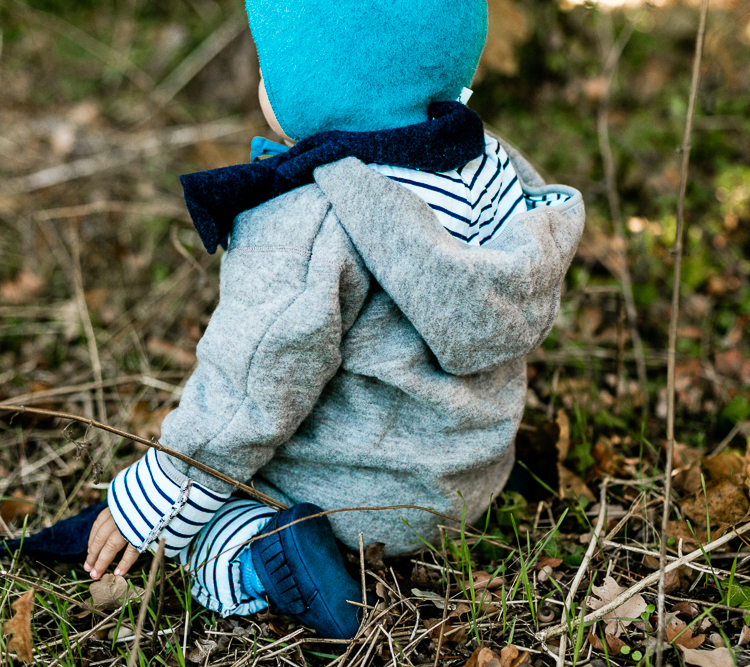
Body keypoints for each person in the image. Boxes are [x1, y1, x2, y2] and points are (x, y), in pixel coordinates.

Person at [81, 0, 584, 640]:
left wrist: (157, 497)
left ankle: (269, 559)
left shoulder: (314, 218)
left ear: (321, 78)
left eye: (271, 64)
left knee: (202, 537)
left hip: (349, 499)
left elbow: (253, 381)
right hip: (465, 481)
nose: (262, 82)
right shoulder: (490, 167)